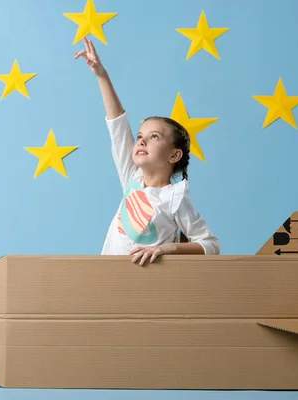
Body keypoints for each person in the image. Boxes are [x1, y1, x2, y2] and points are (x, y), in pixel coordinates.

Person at [74, 37, 221, 266]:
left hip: (146, 287)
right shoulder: (132, 178)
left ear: (174, 155)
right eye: (140, 137)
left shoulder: (175, 197)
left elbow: (210, 244)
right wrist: (100, 74)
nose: (141, 141)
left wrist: (168, 249)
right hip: (107, 278)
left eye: (154, 137)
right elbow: (118, 125)